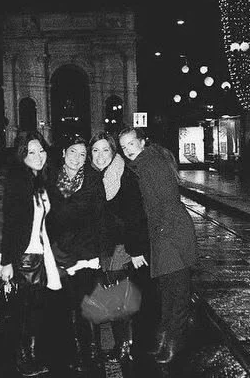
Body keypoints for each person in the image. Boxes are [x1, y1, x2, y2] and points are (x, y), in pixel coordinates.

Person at [118, 126, 198, 364]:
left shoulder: (152, 163)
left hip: (171, 234)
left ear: (142, 142)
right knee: (167, 289)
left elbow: (167, 202)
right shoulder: (142, 164)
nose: (127, 150)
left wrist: (161, 232)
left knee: (177, 291)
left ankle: (174, 341)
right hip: (163, 234)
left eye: (131, 143)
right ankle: (165, 337)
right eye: (123, 147)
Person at [0, 131, 62, 377]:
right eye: (31, 152)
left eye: (41, 150)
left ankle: (29, 356)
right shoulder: (18, 182)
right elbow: (10, 223)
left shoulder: (39, 180)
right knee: (25, 312)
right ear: (22, 155)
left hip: (39, 254)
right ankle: (23, 359)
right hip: (25, 256)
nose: (38, 156)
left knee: (34, 310)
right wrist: (6, 262)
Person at [45, 135, 107, 372]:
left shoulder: (92, 180)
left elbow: (99, 218)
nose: (77, 158)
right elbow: (45, 217)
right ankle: (68, 354)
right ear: (63, 153)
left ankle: (90, 353)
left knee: (86, 305)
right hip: (57, 253)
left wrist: (98, 253)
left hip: (84, 253)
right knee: (63, 306)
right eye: (73, 152)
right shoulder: (50, 178)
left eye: (82, 154)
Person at [89, 131, 151, 362]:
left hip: (119, 248)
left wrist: (135, 250)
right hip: (96, 248)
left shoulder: (123, 176)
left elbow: (135, 216)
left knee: (118, 298)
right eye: (96, 150)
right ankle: (105, 345)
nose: (100, 155)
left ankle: (124, 345)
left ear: (113, 151)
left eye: (106, 149)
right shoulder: (93, 176)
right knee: (100, 296)